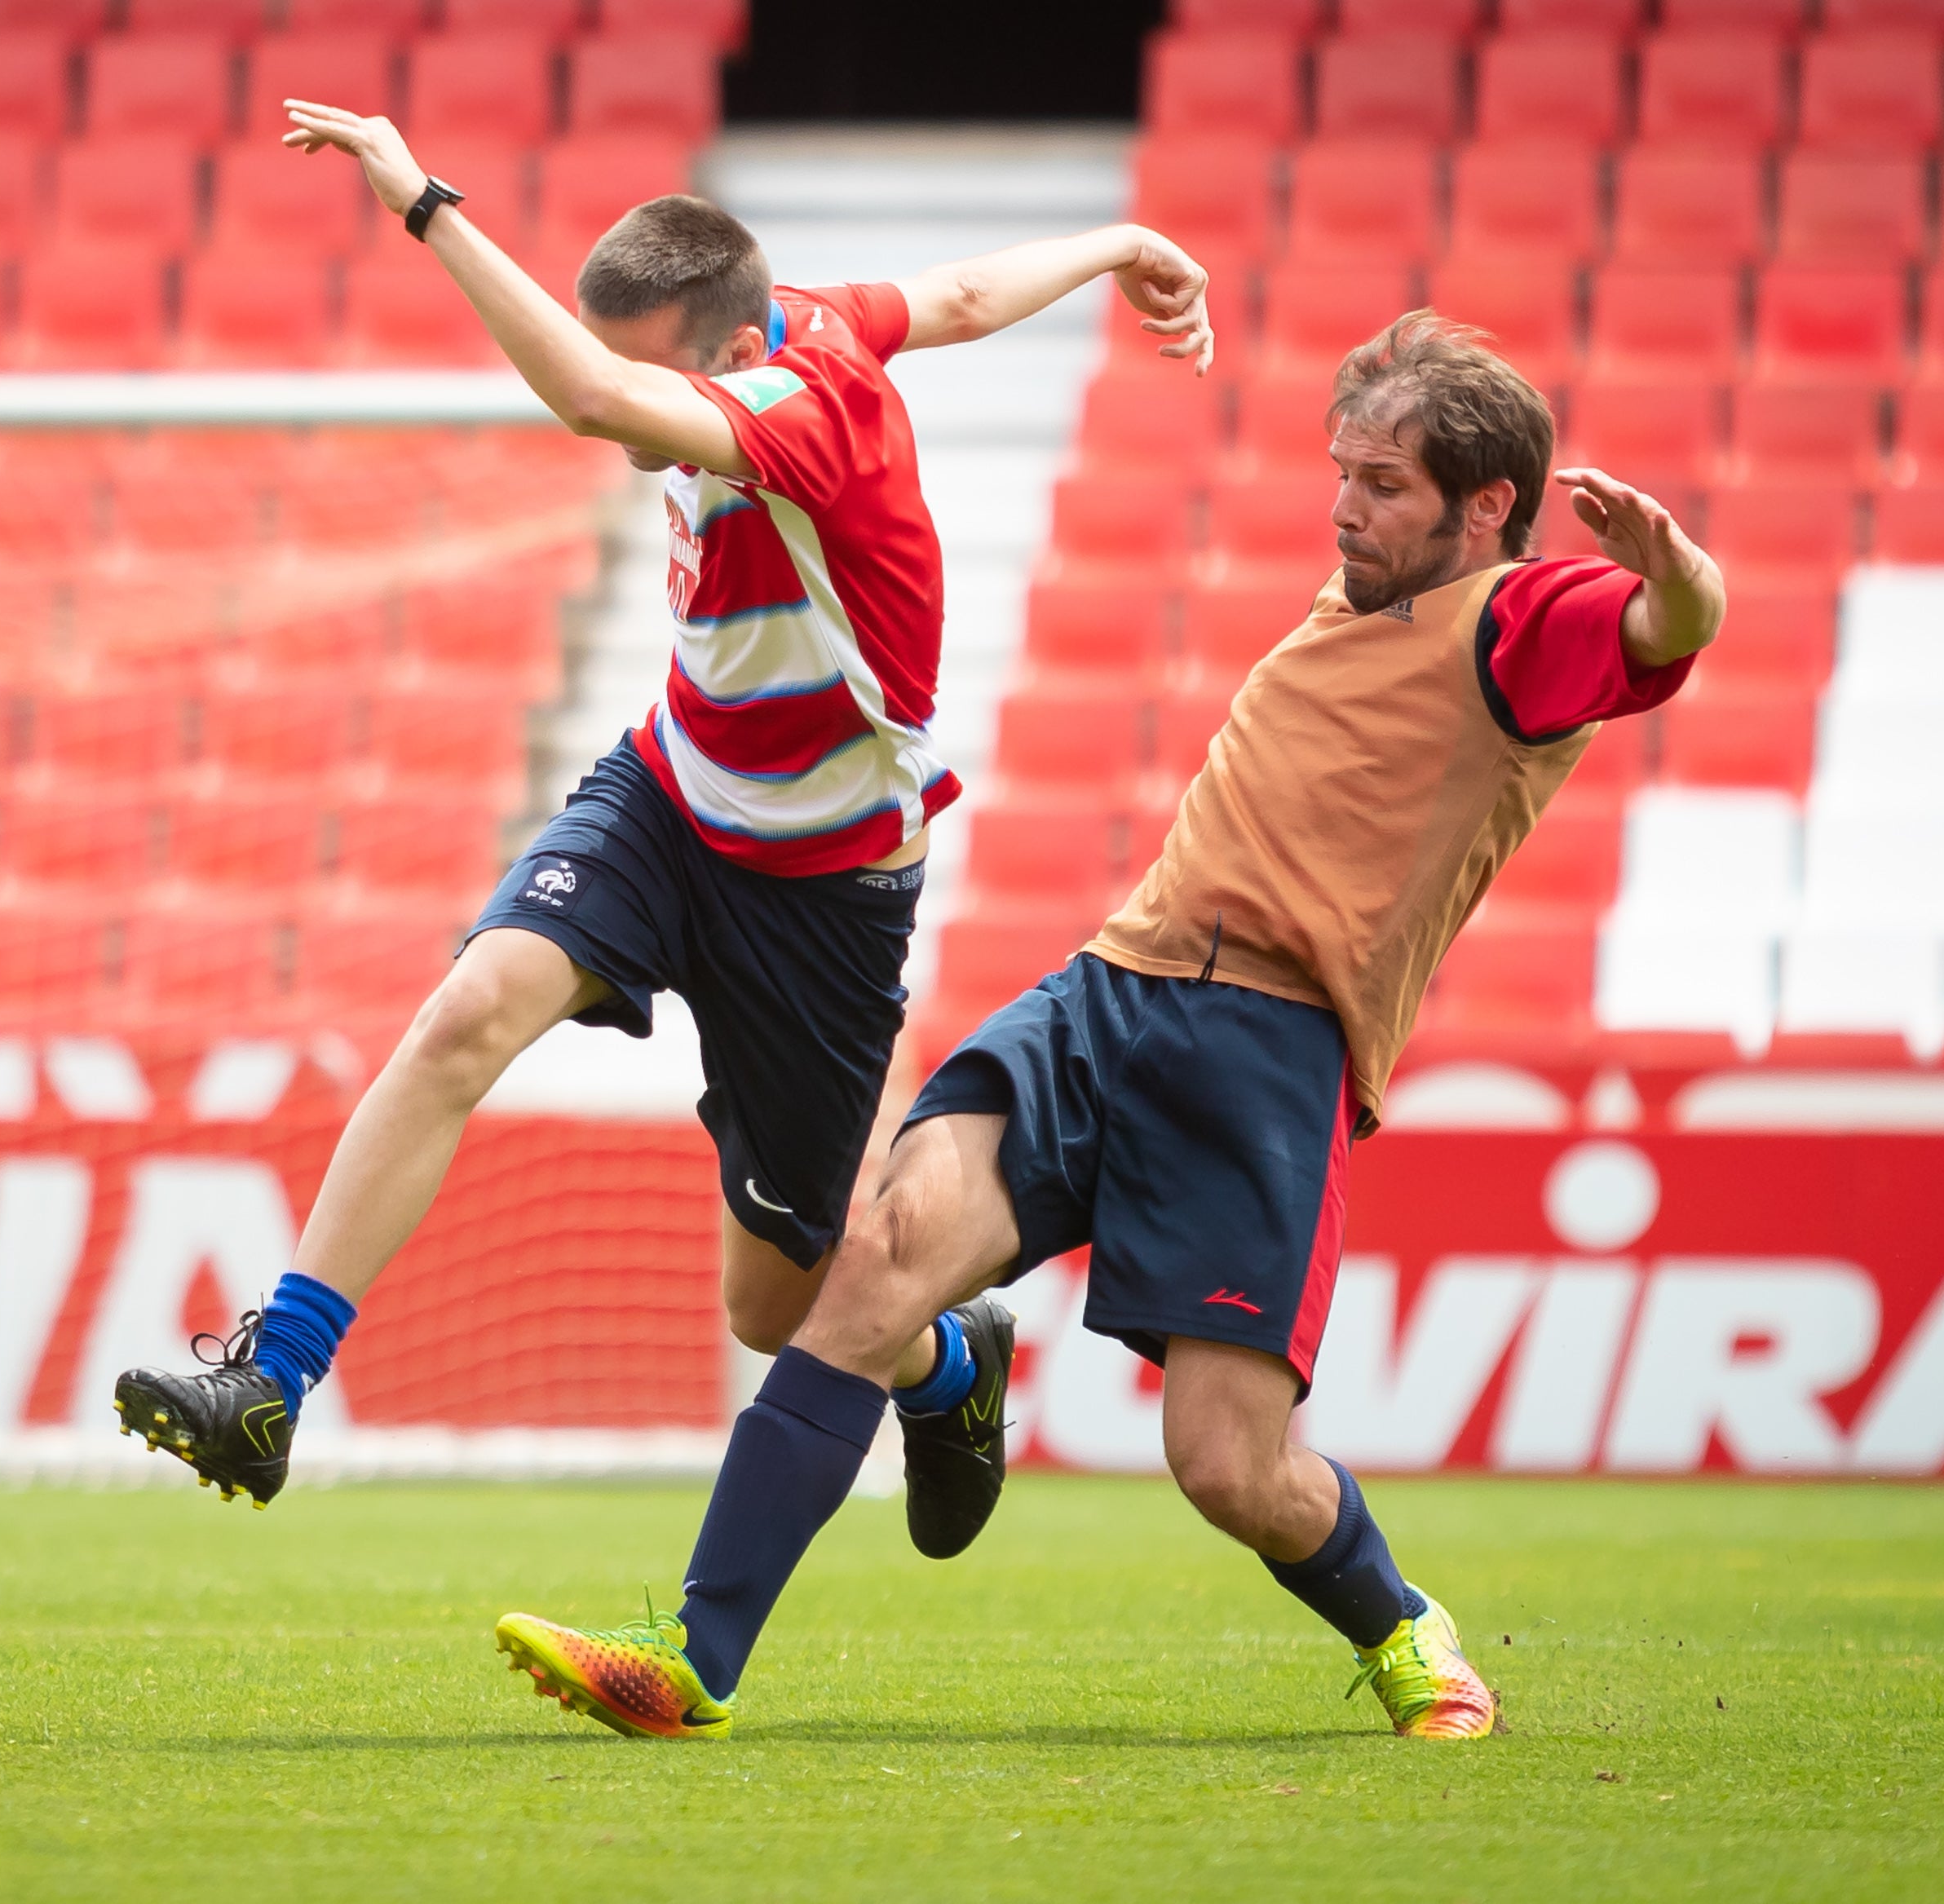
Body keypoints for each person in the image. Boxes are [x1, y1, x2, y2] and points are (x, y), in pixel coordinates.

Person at [492, 312, 1729, 1742]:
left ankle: (1402, 1625)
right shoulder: (1368, 592)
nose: (1345, 504)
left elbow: (1659, 633)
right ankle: (694, 1658)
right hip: (1110, 992)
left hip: (1266, 1055)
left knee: (1225, 1467)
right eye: (1345, 472)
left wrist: (1683, 581)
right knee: (875, 1263)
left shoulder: (1521, 624)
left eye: (1384, 485)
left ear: (1489, 507)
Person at [111, 99, 1217, 1548]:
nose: (627, 395)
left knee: (771, 1310)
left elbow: (588, 399)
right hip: (673, 791)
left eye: (651, 368)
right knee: (467, 1014)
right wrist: (1123, 243)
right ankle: (271, 1385)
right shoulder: (805, 323)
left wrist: (424, 201)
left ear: (736, 357)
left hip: (823, 896)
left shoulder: (806, 418)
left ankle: (950, 1365)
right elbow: (951, 297)